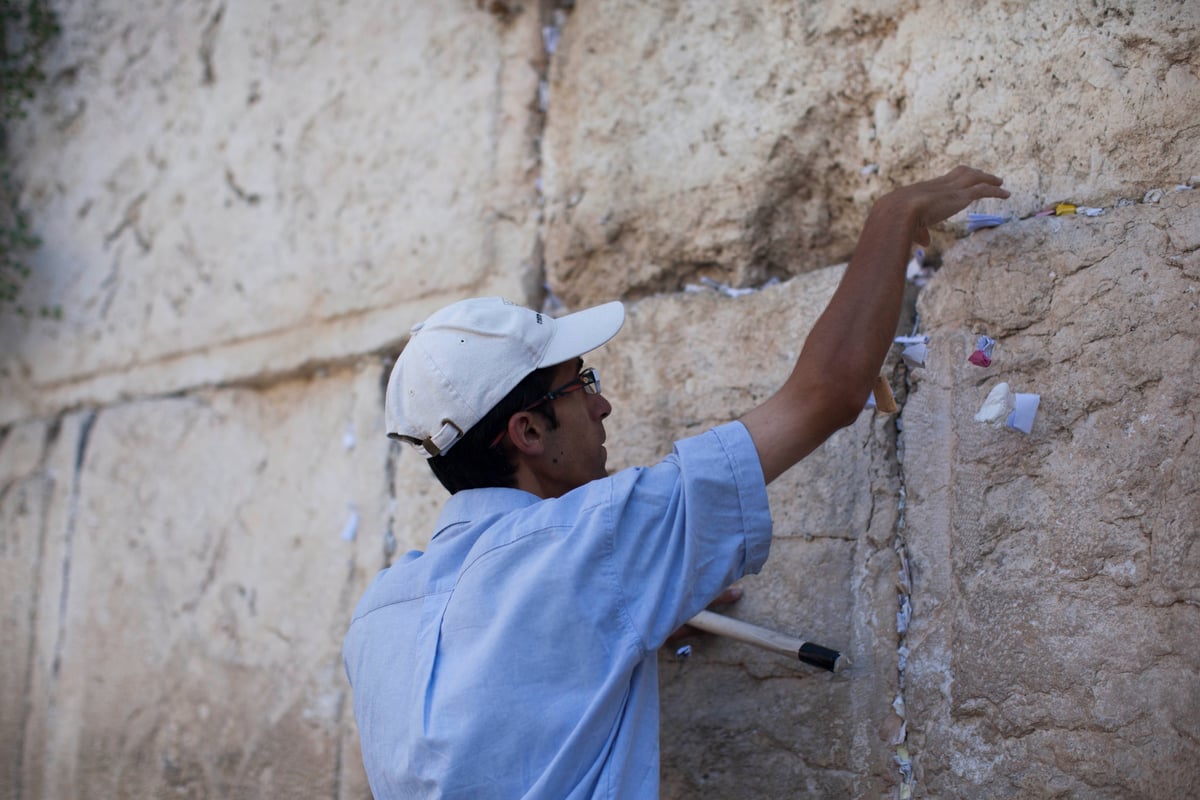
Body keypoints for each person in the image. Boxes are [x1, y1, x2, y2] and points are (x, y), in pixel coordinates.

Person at [343, 167, 1009, 798]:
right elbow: (826, 394)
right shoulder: (594, 540)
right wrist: (894, 216)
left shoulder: (378, 614)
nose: (601, 406)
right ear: (528, 433)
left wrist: (627, 616)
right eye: (581, 387)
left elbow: (495, 711)